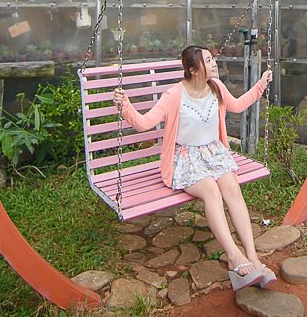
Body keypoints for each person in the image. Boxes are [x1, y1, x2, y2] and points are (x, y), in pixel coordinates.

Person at [112, 45, 275, 291]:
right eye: (208, 61)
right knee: (211, 191)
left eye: (212, 59)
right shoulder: (173, 96)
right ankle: (234, 256)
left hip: (214, 153)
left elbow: (239, 105)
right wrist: (124, 107)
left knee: (231, 187)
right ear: (192, 69)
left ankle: (253, 257)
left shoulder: (217, 87)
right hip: (186, 158)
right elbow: (144, 123)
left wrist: (261, 83)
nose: (213, 64)